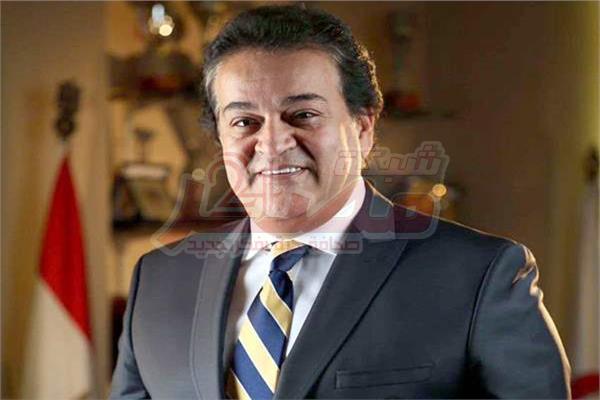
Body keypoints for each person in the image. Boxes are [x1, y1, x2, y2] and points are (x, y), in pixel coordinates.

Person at [110, 4, 571, 399]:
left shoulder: (478, 276)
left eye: (303, 115)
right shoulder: (159, 279)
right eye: (245, 122)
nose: (273, 143)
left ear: (363, 128)